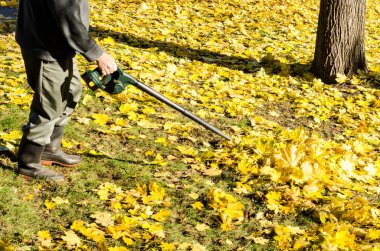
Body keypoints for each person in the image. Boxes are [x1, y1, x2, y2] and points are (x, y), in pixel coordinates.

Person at [15, 0, 117, 181]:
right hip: (47, 48)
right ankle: (29, 163)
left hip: (61, 45)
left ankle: (49, 149)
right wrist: (97, 53)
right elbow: (66, 15)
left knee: (71, 92)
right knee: (49, 105)